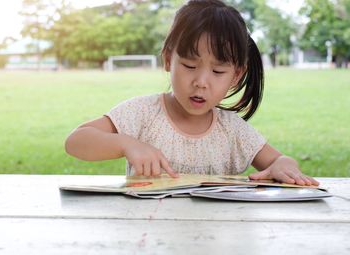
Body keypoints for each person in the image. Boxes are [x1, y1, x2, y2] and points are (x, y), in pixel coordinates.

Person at [65, 0, 319, 186]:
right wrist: (126, 144)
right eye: (189, 66)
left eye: (218, 71)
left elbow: (279, 160)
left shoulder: (233, 131)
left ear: (236, 75)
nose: (201, 82)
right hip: (149, 235)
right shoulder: (142, 113)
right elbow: (76, 141)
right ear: (167, 60)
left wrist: (285, 165)